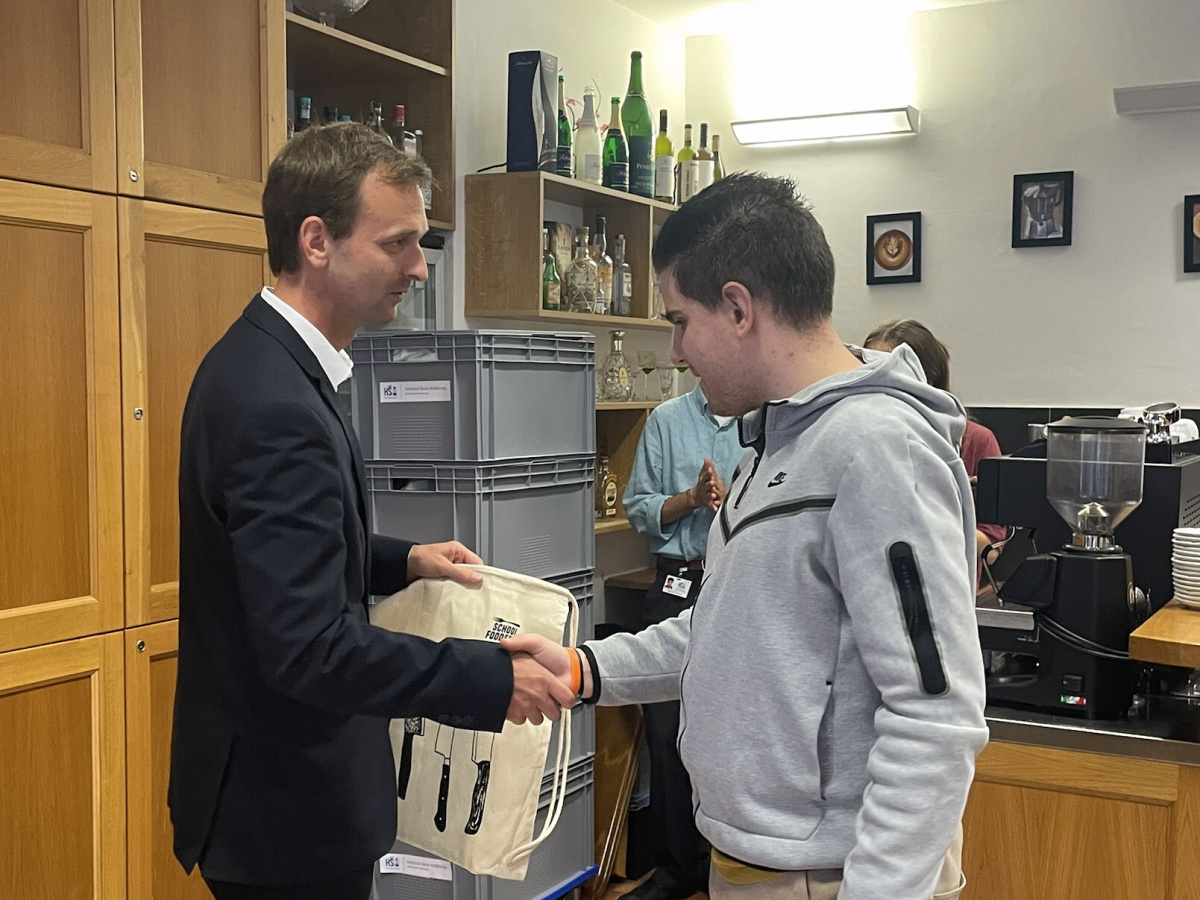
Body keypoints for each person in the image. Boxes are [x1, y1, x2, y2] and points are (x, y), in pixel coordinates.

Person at [505, 173, 988, 900]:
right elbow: (724, 629)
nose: (675, 352)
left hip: (829, 877)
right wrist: (583, 670)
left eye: (679, 321)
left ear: (737, 308)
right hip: (757, 862)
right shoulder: (772, 445)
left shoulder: (877, 449)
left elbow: (935, 715)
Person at [170, 123, 574, 900]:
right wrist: (490, 678)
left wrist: (402, 560)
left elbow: (283, 550)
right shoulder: (274, 402)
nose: (419, 267)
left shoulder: (270, 362)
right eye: (398, 244)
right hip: (285, 817)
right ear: (317, 240)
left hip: (281, 802)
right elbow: (310, 649)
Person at [621, 381, 742, 900]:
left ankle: (724, 867)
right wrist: (690, 499)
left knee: (730, 728)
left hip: (737, 583)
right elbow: (638, 507)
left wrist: (734, 505)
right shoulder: (666, 420)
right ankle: (675, 870)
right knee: (666, 731)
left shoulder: (764, 418)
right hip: (675, 581)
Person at [862, 319, 1006, 570]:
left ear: (928, 379)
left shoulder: (977, 440)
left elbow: (990, 550)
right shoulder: (858, 439)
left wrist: (923, 516)